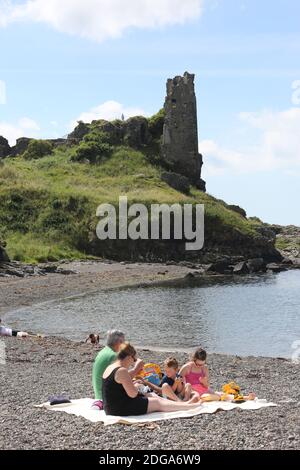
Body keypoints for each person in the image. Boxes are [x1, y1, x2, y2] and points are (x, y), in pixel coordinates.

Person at [102, 343, 202, 416]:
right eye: (134, 359)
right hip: (119, 408)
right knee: (156, 403)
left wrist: (136, 383)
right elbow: (132, 394)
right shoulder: (121, 370)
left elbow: (118, 385)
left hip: (111, 407)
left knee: (151, 395)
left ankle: (182, 404)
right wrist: (136, 386)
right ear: (128, 357)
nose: (133, 362)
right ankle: (189, 406)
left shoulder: (111, 367)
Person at [92, 329, 144, 401]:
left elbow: (117, 377)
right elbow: (123, 375)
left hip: (99, 393)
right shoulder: (114, 356)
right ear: (119, 342)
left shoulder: (103, 351)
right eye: (124, 342)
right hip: (106, 397)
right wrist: (136, 368)